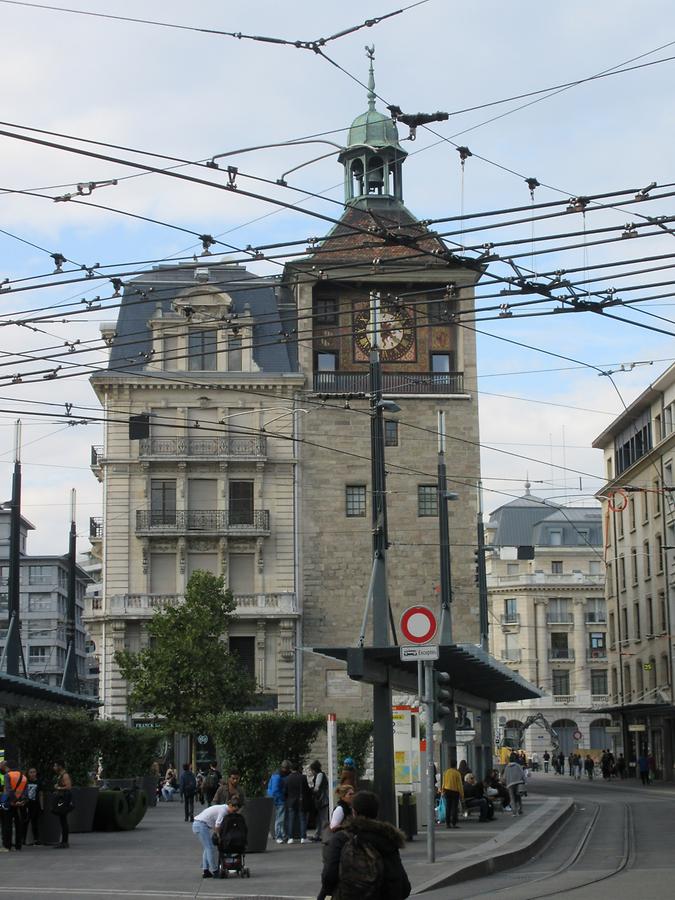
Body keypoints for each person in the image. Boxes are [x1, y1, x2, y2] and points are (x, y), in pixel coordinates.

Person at [318, 790, 411, 900]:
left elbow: (329, 876)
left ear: (354, 812)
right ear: (376, 812)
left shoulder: (342, 838)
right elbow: (403, 885)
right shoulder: (387, 838)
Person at [192, 801, 232, 878]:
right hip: (201, 825)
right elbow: (217, 826)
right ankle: (215, 871)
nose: (233, 812)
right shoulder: (223, 811)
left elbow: (214, 824)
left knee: (207, 848)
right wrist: (218, 836)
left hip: (199, 824)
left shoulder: (223, 807)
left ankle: (206, 870)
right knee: (210, 848)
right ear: (230, 806)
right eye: (234, 810)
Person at [0, 760, 27, 851]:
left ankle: (7, 845)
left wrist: (13, 801)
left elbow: (9, 790)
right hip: (19, 803)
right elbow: (24, 791)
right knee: (18, 824)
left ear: (6, 767)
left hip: (9, 802)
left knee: (7, 824)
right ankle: (18, 845)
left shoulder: (8, 775)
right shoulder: (23, 776)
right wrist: (21, 801)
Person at [284, 761, 312, 843]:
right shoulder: (303, 777)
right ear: (298, 769)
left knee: (291, 819)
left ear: (291, 769)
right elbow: (307, 790)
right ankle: (303, 837)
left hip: (291, 801)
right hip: (301, 801)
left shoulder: (287, 778)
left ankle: (290, 838)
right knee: (302, 819)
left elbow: (285, 791)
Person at [267, 760, 291, 844]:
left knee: (280, 818)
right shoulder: (279, 776)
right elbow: (276, 790)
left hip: (278, 798)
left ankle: (281, 835)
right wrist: (281, 799)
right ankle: (279, 836)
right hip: (280, 799)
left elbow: (274, 790)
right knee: (280, 819)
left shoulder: (277, 775)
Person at [52, 761, 72, 849]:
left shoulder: (65, 775)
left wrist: (58, 787)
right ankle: (64, 841)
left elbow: (68, 787)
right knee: (62, 819)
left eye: (55, 766)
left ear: (60, 766)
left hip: (64, 799)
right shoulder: (61, 775)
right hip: (61, 798)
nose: (54, 767)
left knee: (63, 819)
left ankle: (65, 842)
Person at [309, 760, 329, 842]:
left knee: (323, 818)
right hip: (323, 799)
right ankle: (319, 834)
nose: (311, 772)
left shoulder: (319, 775)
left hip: (321, 800)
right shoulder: (322, 774)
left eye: (311, 770)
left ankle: (324, 835)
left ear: (314, 769)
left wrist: (311, 789)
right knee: (320, 818)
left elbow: (317, 788)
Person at [22, 767, 42, 846]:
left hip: (35, 804)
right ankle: (23, 839)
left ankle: (36, 839)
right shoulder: (25, 781)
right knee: (25, 822)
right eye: (31, 772)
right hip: (27, 804)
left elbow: (40, 794)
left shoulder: (39, 782)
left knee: (35, 822)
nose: (33, 774)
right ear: (28, 773)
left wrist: (42, 806)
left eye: (34, 772)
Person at [441, 759, 464, 829]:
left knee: (448, 807)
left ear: (450, 764)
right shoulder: (457, 773)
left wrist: (442, 791)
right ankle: (454, 823)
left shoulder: (446, 772)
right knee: (454, 808)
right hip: (455, 792)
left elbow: (443, 783)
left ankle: (447, 823)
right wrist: (462, 794)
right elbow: (459, 784)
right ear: (456, 765)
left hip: (447, 791)